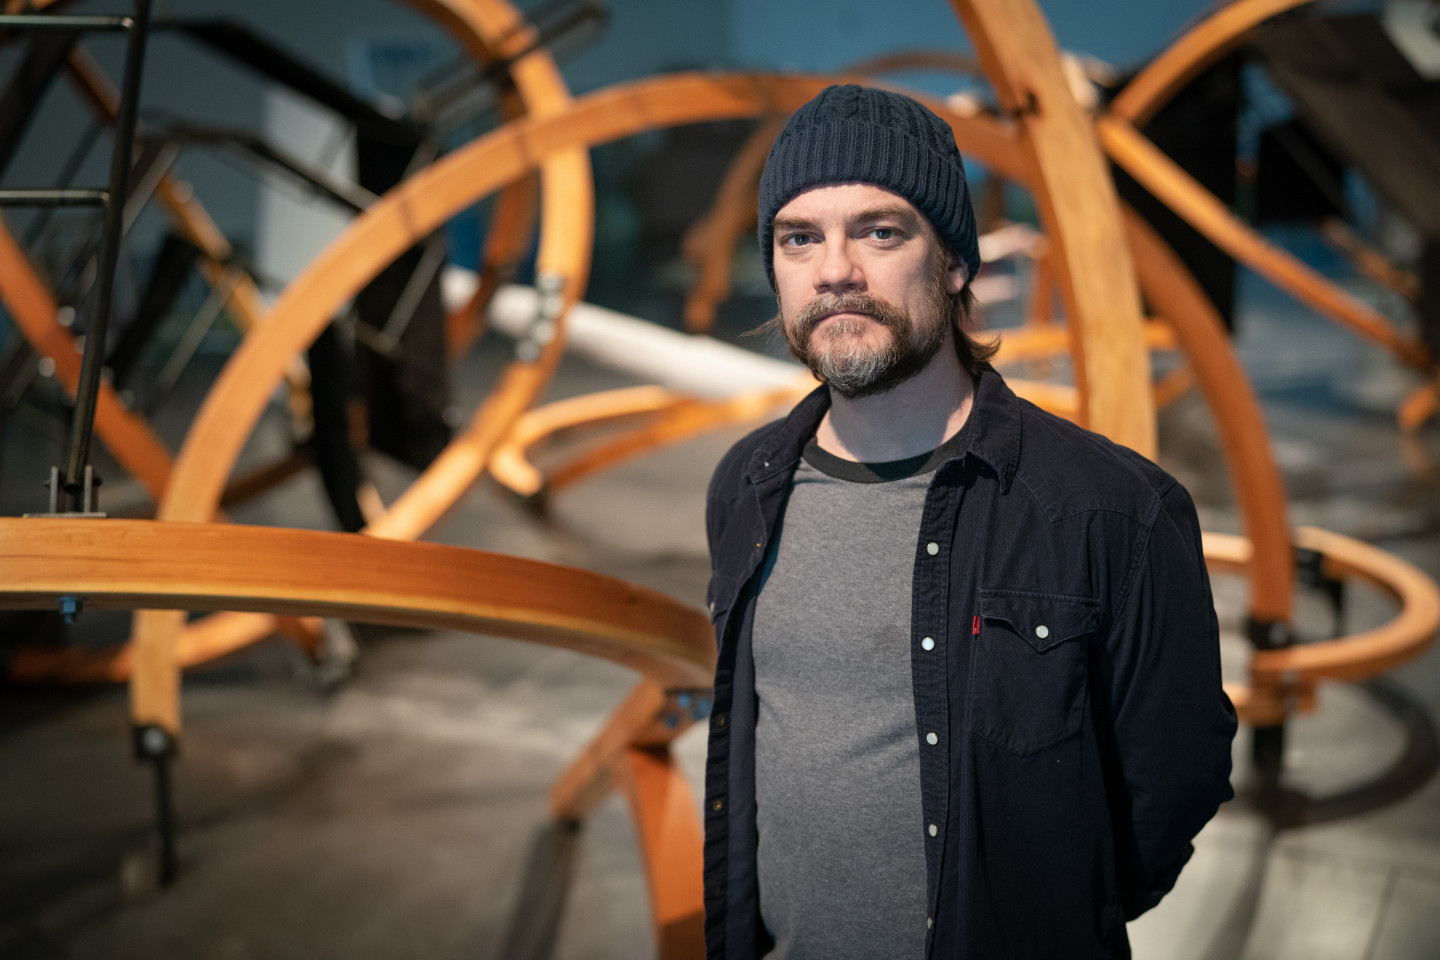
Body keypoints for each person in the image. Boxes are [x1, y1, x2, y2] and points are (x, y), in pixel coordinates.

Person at [701, 84, 1237, 960]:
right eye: (800, 238)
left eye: (881, 231)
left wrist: (1044, 912)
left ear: (953, 264)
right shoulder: (745, 486)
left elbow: (1173, 779)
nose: (834, 268)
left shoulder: (1114, 512)